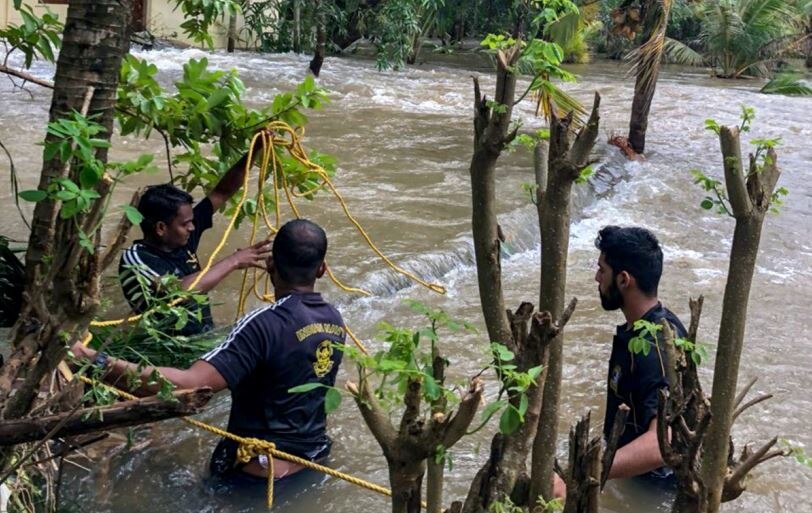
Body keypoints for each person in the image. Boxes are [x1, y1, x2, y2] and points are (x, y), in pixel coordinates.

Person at [74, 219, 345, 481]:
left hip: (258, 475)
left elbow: (189, 385)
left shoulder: (263, 324)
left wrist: (92, 360)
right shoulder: (334, 319)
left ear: (270, 264)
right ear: (322, 269)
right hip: (314, 460)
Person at [554, 225, 686, 497]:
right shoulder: (642, 328)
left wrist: (582, 473)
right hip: (631, 476)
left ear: (624, 279)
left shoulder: (655, 346)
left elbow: (663, 442)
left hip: (655, 491)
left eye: (602, 270)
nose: (596, 278)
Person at [119, 153, 270, 336]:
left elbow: (222, 192)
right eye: (185, 224)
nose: (192, 227)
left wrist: (254, 152)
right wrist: (233, 261)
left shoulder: (180, 236)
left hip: (204, 335)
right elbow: (179, 291)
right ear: (161, 228)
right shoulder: (137, 258)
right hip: (171, 348)